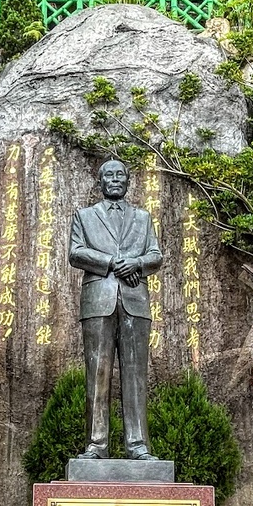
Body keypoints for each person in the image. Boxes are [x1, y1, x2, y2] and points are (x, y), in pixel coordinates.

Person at [69, 159, 163, 461]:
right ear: (100, 181)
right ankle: (97, 445)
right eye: (108, 175)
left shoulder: (142, 217)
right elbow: (76, 252)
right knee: (97, 374)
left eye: (120, 174)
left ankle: (138, 445)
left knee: (135, 375)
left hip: (135, 300)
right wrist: (112, 262)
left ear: (127, 181)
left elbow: (155, 255)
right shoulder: (84, 216)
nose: (114, 179)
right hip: (98, 300)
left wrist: (136, 263)